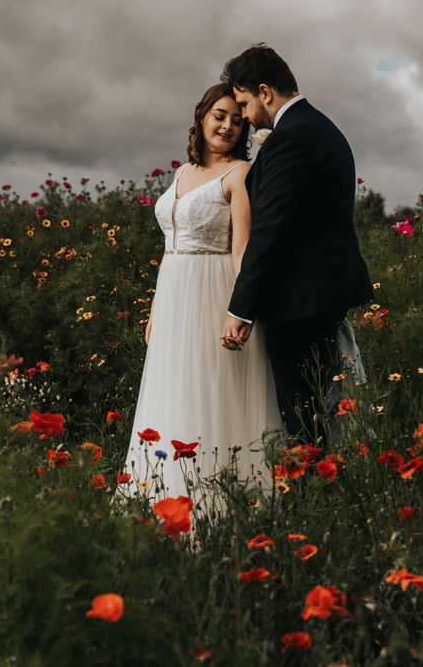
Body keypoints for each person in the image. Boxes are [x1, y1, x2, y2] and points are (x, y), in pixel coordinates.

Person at [117, 83, 282, 506]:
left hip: (212, 295)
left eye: (237, 119)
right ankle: (163, 496)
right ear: (202, 116)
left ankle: (216, 501)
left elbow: (242, 249)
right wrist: (157, 309)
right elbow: (170, 247)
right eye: (220, 116)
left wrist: (240, 312)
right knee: (173, 388)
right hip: (174, 297)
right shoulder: (182, 173)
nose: (228, 126)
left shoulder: (240, 173)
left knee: (211, 390)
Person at [219, 44, 374, 447]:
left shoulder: (291, 138)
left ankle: (313, 497)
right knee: (322, 410)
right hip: (319, 299)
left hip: (299, 306)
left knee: (302, 418)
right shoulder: (320, 127)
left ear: (265, 92)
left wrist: (241, 309)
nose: (247, 117)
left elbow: (271, 232)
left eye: (244, 103)